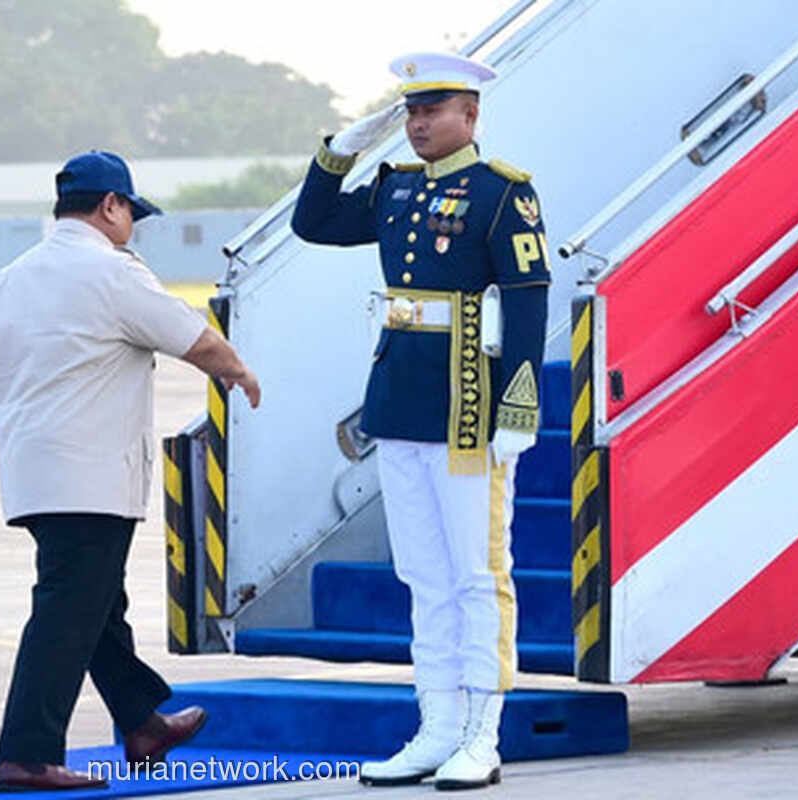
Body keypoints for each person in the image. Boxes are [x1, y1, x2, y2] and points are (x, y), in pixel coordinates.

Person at [0, 150, 261, 792]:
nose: (131, 229)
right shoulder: (113, 273)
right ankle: (27, 755)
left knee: (95, 604)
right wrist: (237, 369)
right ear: (111, 207)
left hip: (35, 476)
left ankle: (143, 723)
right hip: (91, 478)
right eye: (129, 215)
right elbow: (191, 335)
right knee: (67, 610)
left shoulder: (10, 276)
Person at [291, 52, 550, 791]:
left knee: (476, 573)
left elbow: (528, 298)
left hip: (467, 405)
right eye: (409, 112)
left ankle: (482, 732)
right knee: (422, 577)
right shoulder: (396, 189)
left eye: (432, 111)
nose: (417, 125)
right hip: (399, 404)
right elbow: (313, 223)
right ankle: (436, 724)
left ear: (470, 115)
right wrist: (341, 150)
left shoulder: (503, 194)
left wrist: (518, 404)